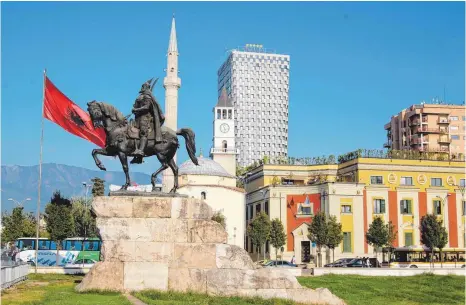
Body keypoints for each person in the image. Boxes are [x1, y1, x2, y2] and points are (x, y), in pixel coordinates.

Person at [131, 78, 165, 163]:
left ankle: (141, 151)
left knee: (143, 133)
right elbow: (136, 105)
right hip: (137, 118)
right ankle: (135, 152)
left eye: (144, 86)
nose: (143, 87)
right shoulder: (140, 97)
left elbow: (146, 107)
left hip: (145, 118)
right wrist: (135, 109)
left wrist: (136, 110)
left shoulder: (147, 97)